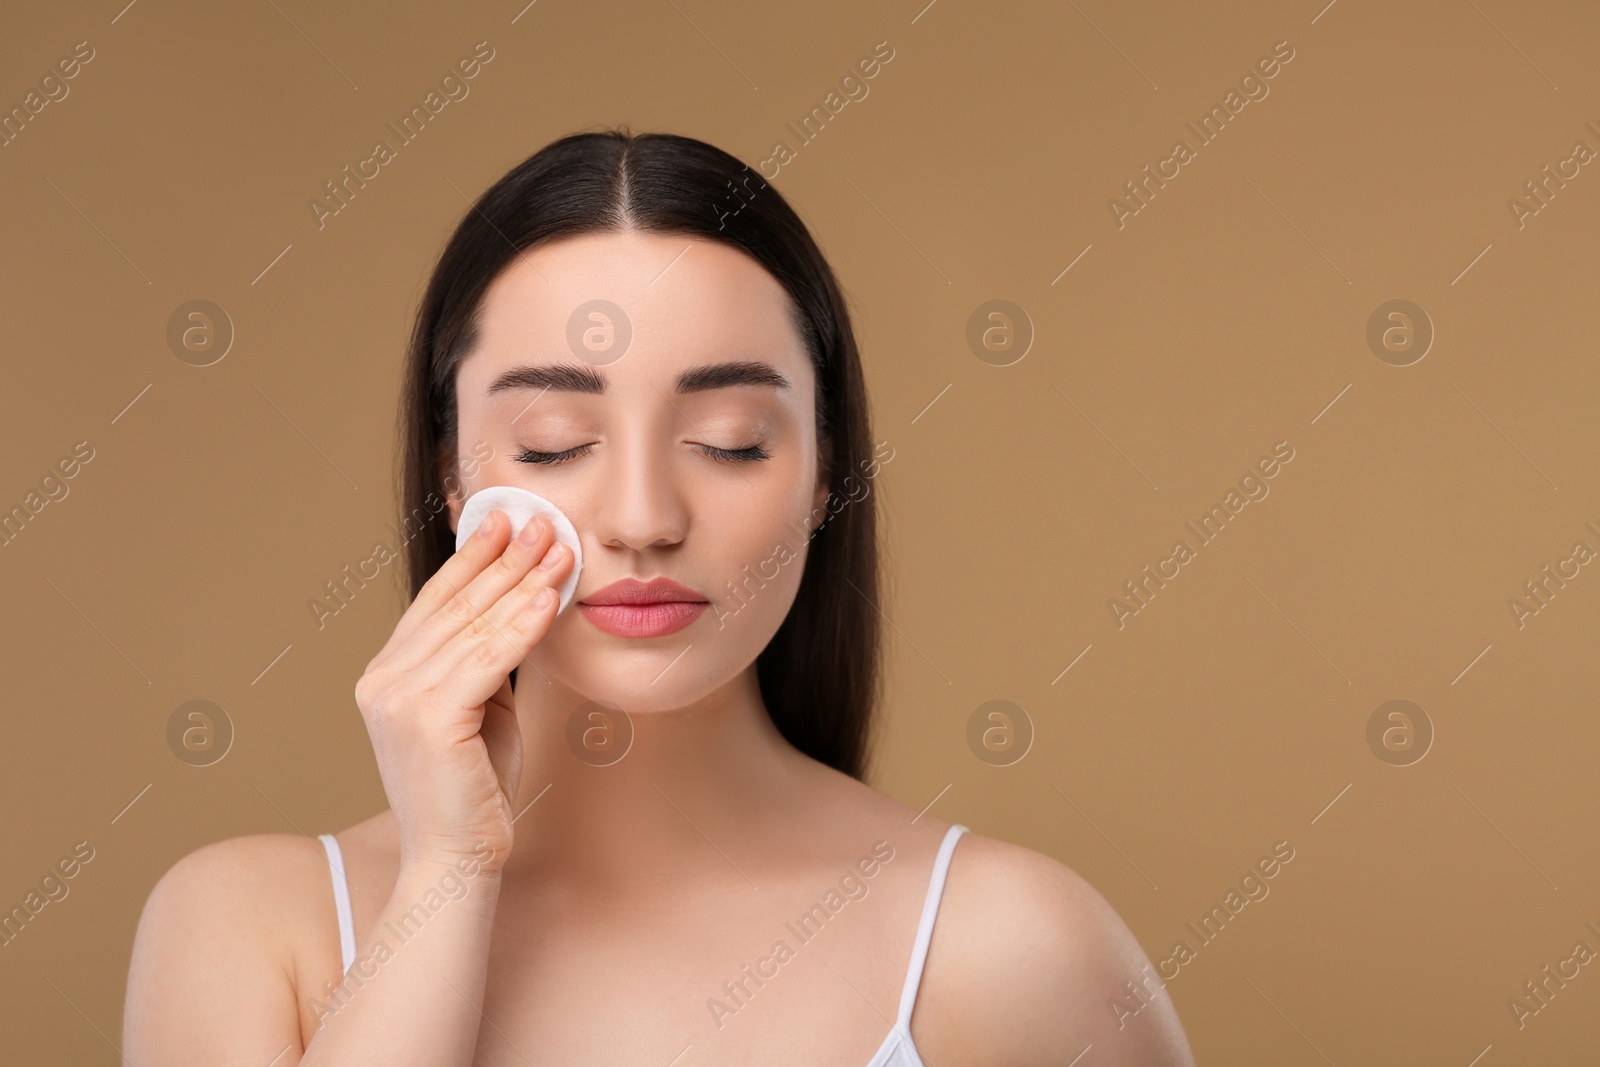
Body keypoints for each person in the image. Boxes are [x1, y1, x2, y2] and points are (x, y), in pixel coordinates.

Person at [123, 127, 1195, 1065]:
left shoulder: (1010, 945)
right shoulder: (246, 929)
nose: (640, 516)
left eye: (729, 442)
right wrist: (447, 871)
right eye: (555, 443)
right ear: (452, 477)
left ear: (825, 473)